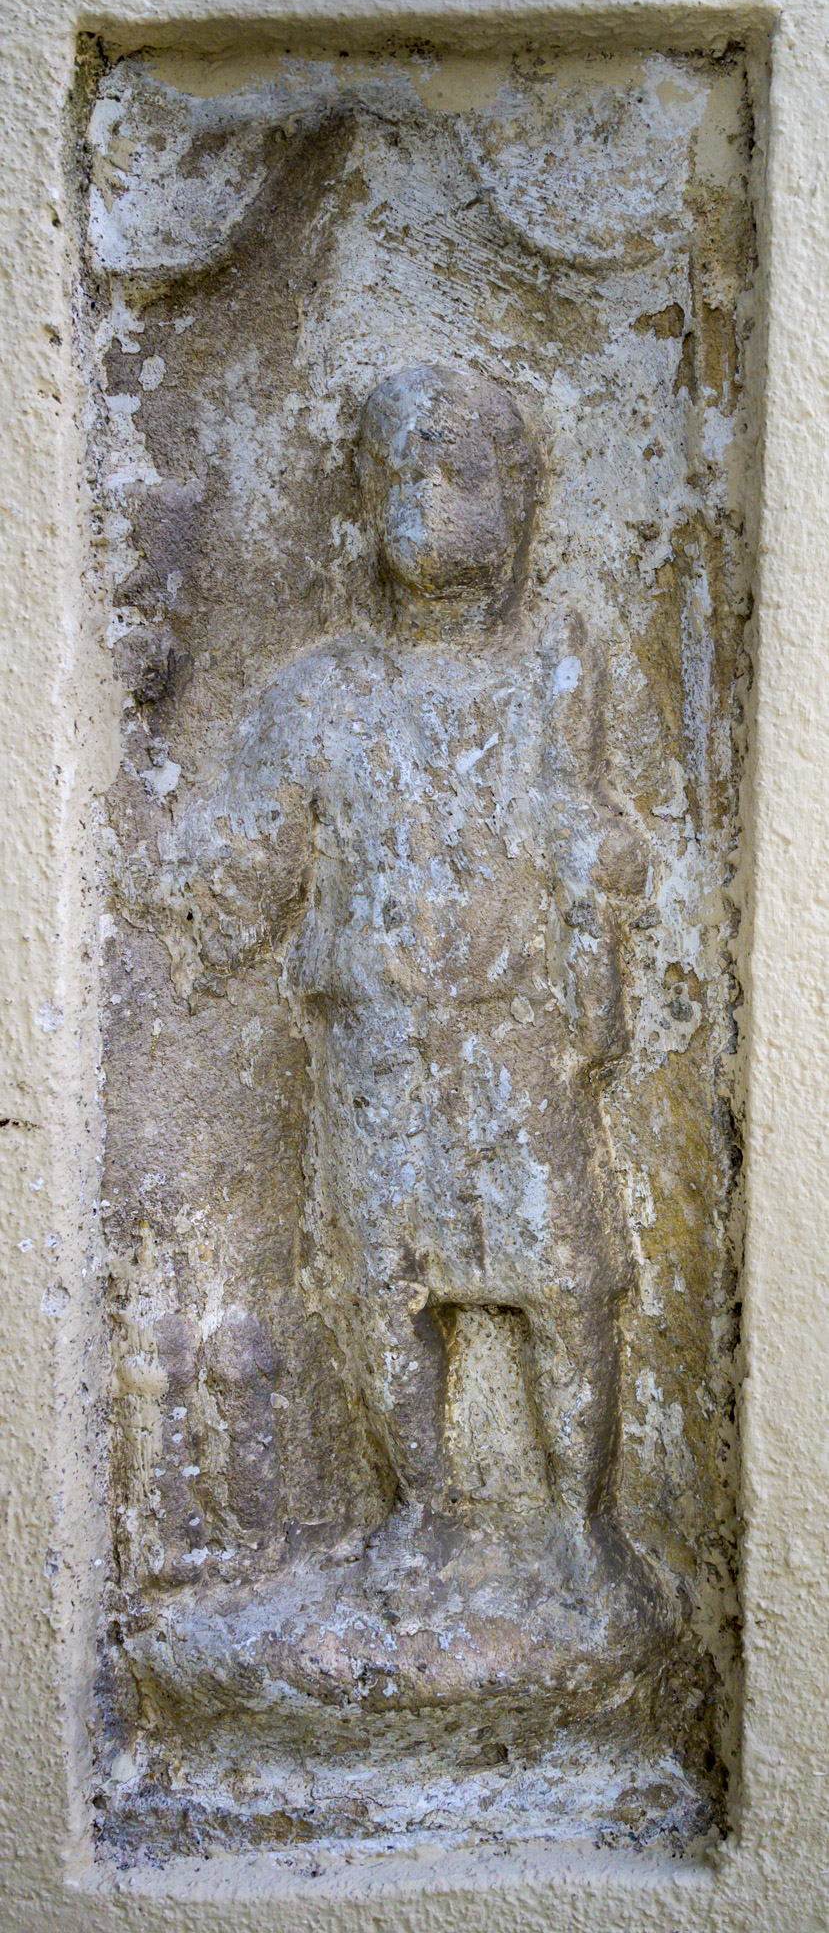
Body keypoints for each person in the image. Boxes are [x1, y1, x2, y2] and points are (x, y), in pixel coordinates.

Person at [161, 363, 650, 1546]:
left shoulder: (553, 662)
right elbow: (247, 861)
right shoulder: (319, 690)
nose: (427, 497)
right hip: (375, 1034)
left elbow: (585, 823)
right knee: (381, 1275)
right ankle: (423, 1509)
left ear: (514, 495)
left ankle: (582, 1530)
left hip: (515, 1021)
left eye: (459, 471)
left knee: (562, 1271)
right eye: (400, 474)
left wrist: (599, 933)